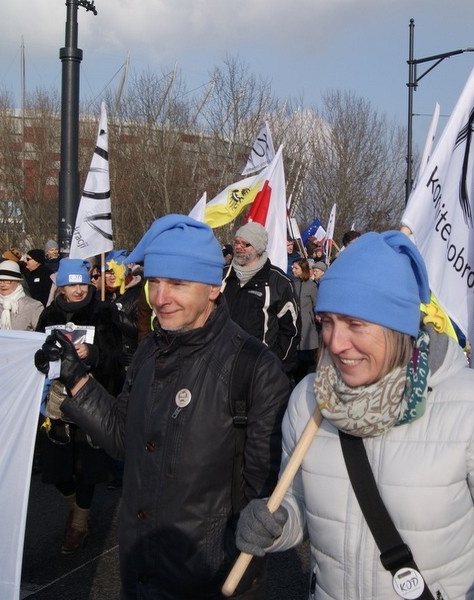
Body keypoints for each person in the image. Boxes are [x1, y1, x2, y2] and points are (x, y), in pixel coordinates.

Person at [235, 231, 474, 599]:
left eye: (355, 324)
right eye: (327, 321)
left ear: (399, 326)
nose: (334, 342)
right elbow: (299, 500)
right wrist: (278, 521)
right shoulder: (309, 399)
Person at [34, 215, 291, 598]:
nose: (160, 297)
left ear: (213, 289)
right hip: (140, 569)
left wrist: (238, 561)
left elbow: (264, 489)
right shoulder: (150, 350)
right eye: (155, 282)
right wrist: (77, 380)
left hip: (211, 576)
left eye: (178, 283)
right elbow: (124, 438)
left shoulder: (253, 366)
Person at [35, 257, 126, 554]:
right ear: (60, 287)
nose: (77, 290)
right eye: (71, 284)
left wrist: (94, 352)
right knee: (57, 469)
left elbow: (116, 356)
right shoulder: (49, 315)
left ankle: (79, 525)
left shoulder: (103, 311)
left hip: (91, 398)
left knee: (87, 467)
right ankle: (76, 510)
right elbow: (35, 352)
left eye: (82, 283)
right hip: (56, 404)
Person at [222, 222, 299, 374]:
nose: (238, 247)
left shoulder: (279, 282)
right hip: (221, 364)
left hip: (258, 369)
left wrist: (274, 364)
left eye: (246, 244)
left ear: (258, 248)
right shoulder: (223, 276)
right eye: (237, 242)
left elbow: (290, 331)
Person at [0, 260, 44, 331]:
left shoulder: (34, 307)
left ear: (18, 282)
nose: (2, 285)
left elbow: (41, 337)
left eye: (7, 281)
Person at [290, 259, 318, 381]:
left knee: (306, 361)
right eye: (293, 268)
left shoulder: (311, 286)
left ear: (303, 270)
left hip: (307, 328)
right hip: (293, 326)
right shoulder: (290, 284)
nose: (293, 270)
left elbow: (316, 305)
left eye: (296, 268)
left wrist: (315, 319)